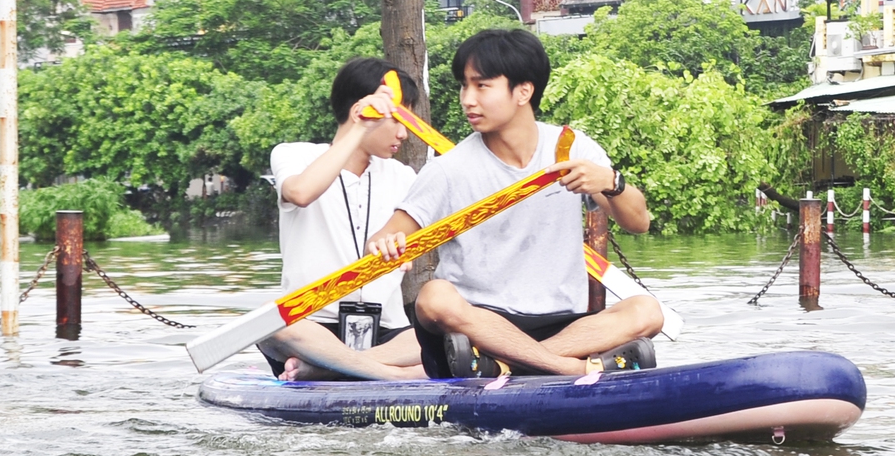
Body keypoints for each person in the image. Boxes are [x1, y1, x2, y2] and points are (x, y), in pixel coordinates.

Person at [367, 28, 660, 378]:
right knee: (434, 298)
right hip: (474, 326)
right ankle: (568, 369)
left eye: (481, 86)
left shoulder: (571, 147)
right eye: (464, 85)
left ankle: (506, 365)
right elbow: (384, 239)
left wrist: (611, 184)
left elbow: (639, 222)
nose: (467, 99)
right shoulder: (448, 169)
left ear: (523, 91)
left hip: (561, 326)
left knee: (647, 311)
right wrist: (386, 245)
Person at [266, 57, 426, 380]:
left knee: (442, 334)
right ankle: (391, 376)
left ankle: (328, 371)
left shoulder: (404, 176)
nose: (404, 133)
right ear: (361, 111)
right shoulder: (293, 154)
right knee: (275, 325)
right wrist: (359, 129)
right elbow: (301, 192)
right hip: (311, 328)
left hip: (388, 332)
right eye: (397, 119)